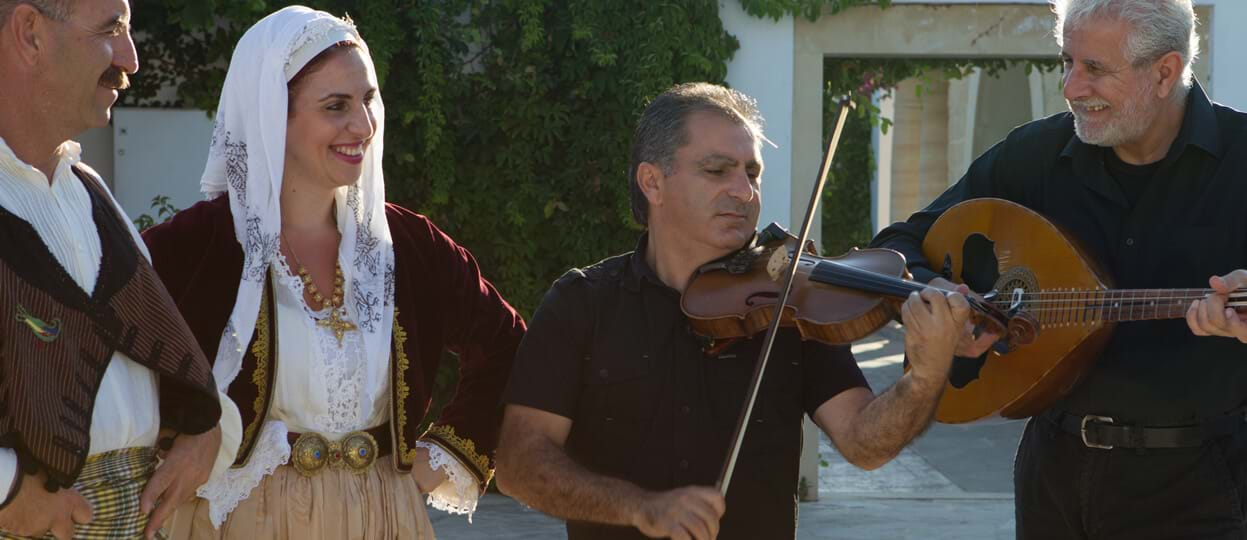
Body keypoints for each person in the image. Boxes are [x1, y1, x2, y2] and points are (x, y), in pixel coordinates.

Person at [495, 82, 972, 540]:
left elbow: (864, 442)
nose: (745, 192)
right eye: (717, 170)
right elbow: (520, 464)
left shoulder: (788, 303)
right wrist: (640, 507)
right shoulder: (583, 304)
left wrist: (924, 379)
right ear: (653, 182)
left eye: (752, 172)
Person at [141, 6, 526, 539]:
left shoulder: (407, 247)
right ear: (273, 115)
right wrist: (185, 435)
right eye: (335, 106)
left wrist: (439, 461)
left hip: (384, 518)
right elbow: (107, 363)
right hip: (242, 521)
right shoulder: (193, 246)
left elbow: (509, 347)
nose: (363, 125)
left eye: (368, 100)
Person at [869, 0, 1247, 537]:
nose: (1071, 87)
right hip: (1053, 474)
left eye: (1094, 68)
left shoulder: (1242, 159)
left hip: (1200, 484)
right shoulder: (1037, 154)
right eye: (1066, 62)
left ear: (1165, 72)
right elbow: (900, 245)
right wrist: (948, 304)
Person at [0, 1, 242, 539]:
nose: (130, 58)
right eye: (112, 30)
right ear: (30, 33)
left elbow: (144, 357)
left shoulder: (87, 189)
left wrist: (205, 431)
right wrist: (10, 492)